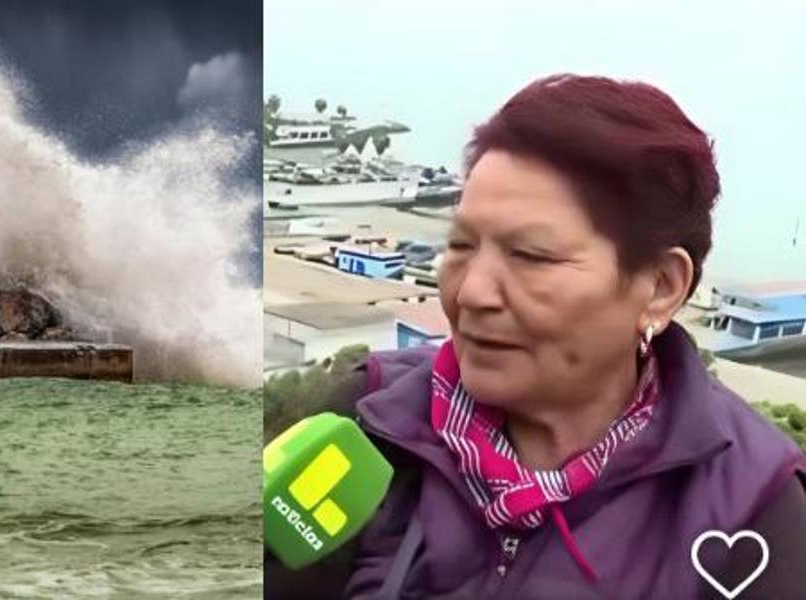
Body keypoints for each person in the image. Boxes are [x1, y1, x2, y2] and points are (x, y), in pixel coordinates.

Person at [267, 74, 806, 599]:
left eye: (531, 256)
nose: (473, 292)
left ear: (660, 288)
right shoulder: (368, 418)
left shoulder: (754, 512)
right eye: (461, 246)